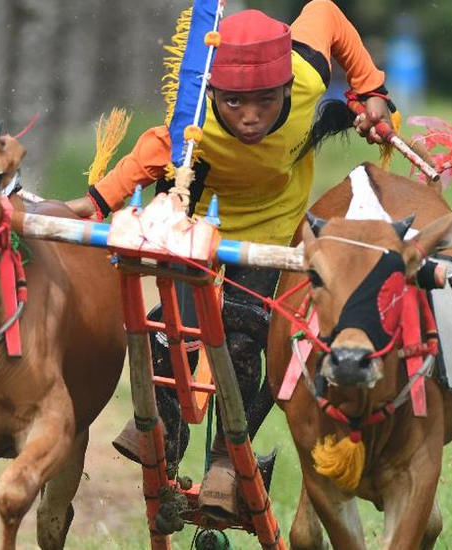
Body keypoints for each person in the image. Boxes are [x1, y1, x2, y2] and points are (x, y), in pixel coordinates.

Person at [65, 0, 397, 518]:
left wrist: (371, 90)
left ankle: (226, 459)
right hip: (200, 222)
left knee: (244, 332)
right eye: (234, 101)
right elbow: (147, 154)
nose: (249, 116)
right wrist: (91, 204)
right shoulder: (194, 125)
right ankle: (164, 439)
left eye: (266, 101)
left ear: (289, 87)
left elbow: (326, 12)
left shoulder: (307, 70)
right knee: (166, 328)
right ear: (213, 91)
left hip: (269, 225)